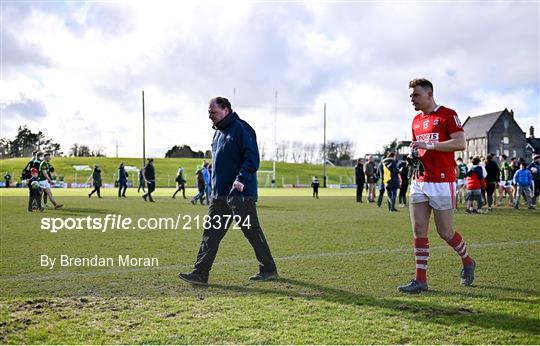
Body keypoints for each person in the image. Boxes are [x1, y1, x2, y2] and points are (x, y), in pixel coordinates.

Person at [179, 96, 277, 285]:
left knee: (251, 232)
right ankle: (200, 273)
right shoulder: (217, 134)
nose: (210, 116)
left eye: (213, 112)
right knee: (210, 234)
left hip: (240, 194)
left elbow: (252, 158)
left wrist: (241, 179)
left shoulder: (242, 128)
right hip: (219, 196)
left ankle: (269, 269)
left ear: (226, 109)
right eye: (208, 113)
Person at [398, 78, 475, 294]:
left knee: (445, 232)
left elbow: (460, 143)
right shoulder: (415, 121)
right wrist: (415, 153)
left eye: (416, 95)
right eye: (411, 95)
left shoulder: (448, 114)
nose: (412, 99)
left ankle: (468, 262)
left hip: (442, 182)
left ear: (429, 94)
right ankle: (420, 280)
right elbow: (420, 149)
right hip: (420, 181)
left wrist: (429, 144)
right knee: (419, 229)